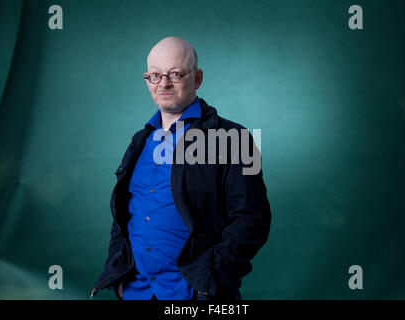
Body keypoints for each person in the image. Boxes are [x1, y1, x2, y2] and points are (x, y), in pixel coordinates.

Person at [91, 36, 271, 301]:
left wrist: (207, 281)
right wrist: (119, 278)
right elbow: (123, 215)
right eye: (155, 75)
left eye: (175, 74)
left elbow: (254, 220)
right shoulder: (139, 141)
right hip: (136, 292)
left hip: (195, 296)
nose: (163, 83)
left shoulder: (236, 137)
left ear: (197, 78)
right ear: (147, 80)